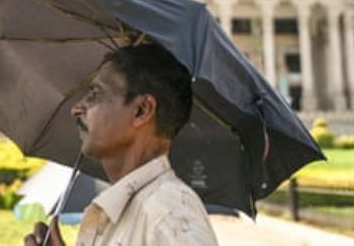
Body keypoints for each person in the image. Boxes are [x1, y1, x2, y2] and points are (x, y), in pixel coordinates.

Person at [24, 44, 219, 246]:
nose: (76, 109)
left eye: (94, 95)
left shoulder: (168, 216)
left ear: (142, 110)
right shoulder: (129, 210)